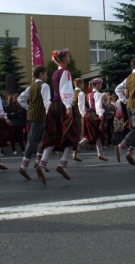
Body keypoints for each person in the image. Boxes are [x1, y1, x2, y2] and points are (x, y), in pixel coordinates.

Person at [38, 49, 79, 184]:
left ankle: (42, 164)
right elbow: (66, 90)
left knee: (52, 135)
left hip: (53, 106)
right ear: (63, 58)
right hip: (62, 105)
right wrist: (68, 106)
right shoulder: (65, 72)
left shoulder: (55, 73)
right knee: (71, 135)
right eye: (67, 56)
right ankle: (62, 165)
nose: (69, 58)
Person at [17, 65, 51, 181]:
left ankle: (38, 162)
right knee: (33, 141)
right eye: (45, 73)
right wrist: (49, 114)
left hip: (32, 116)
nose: (46, 76)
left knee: (41, 139)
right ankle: (24, 166)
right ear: (41, 74)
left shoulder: (31, 87)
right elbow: (47, 102)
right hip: (40, 117)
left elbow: (20, 99)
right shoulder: (44, 86)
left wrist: (29, 108)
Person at [82, 78, 109, 161]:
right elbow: (98, 104)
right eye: (100, 84)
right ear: (97, 85)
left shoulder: (89, 94)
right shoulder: (98, 94)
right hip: (94, 115)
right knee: (97, 133)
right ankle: (81, 143)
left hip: (88, 114)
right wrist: (100, 114)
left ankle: (100, 154)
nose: (101, 86)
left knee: (96, 134)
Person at [72, 78, 86, 161]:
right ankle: (75, 154)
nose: (83, 85)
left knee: (71, 134)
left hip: (70, 116)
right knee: (77, 135)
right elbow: (81, 106)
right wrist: (83, 117)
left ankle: (74, 153)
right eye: (83, 83)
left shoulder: (71, 93)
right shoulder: (81, 93)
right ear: (80, 84)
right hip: (77, 116)